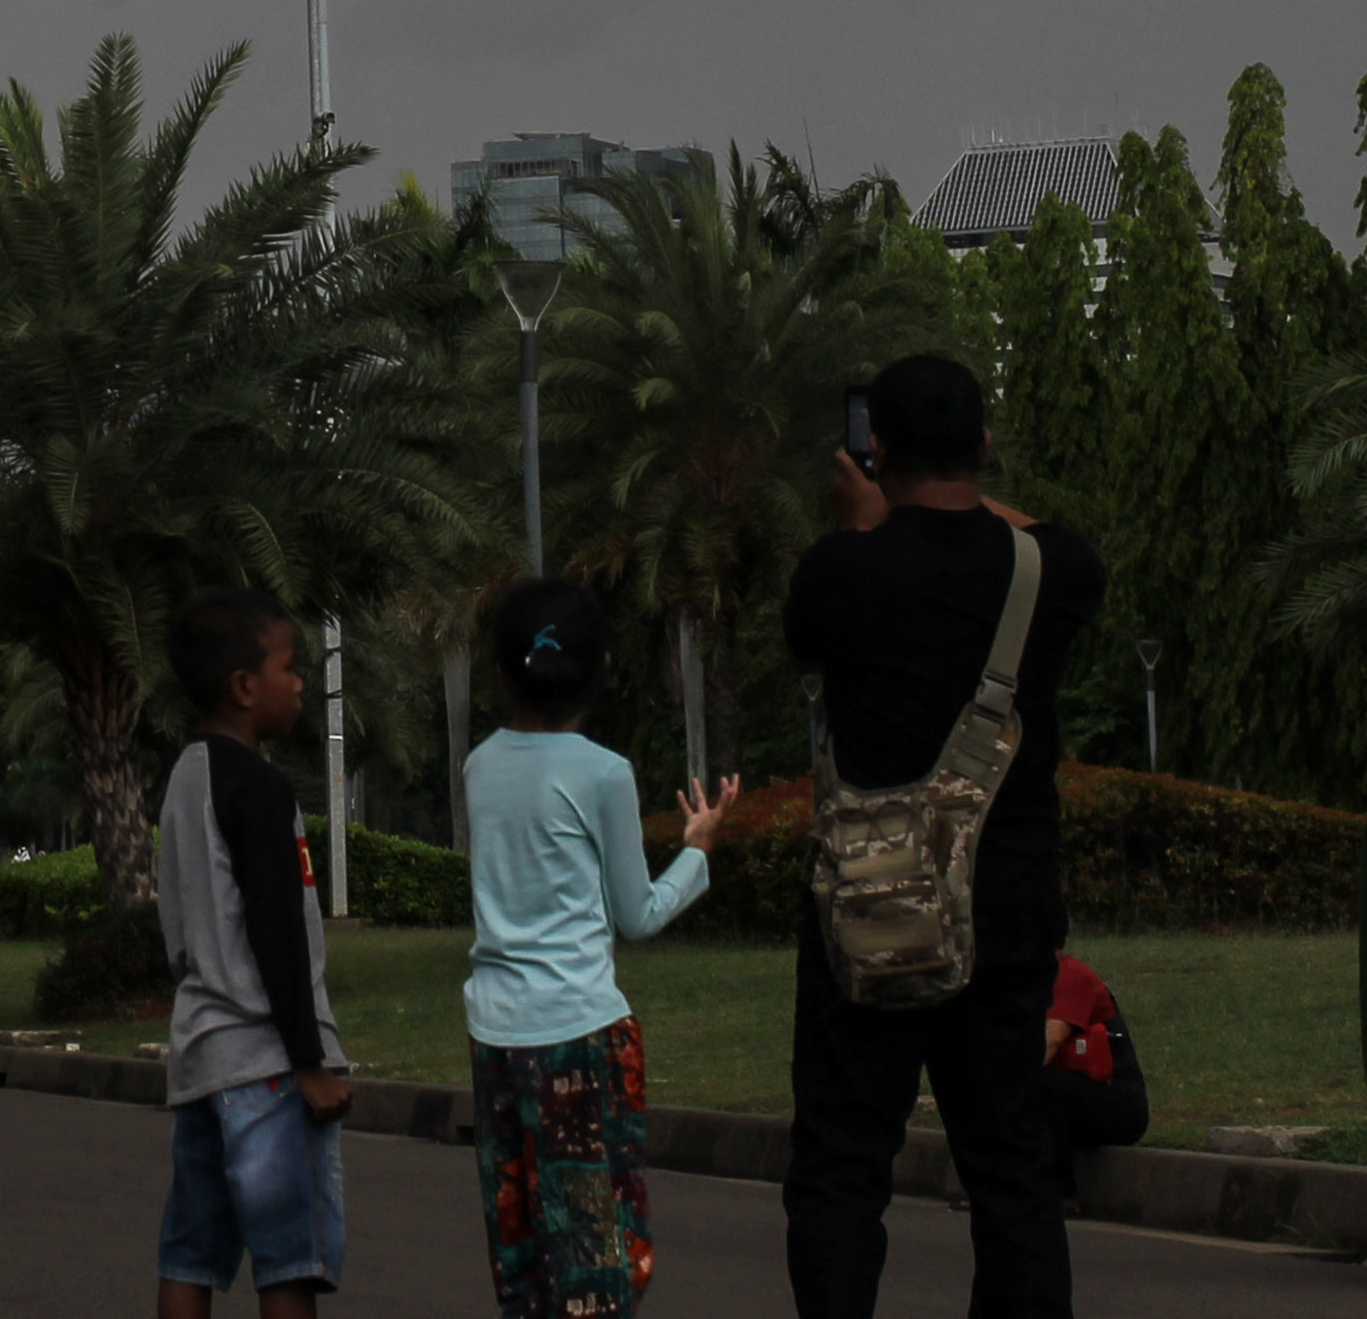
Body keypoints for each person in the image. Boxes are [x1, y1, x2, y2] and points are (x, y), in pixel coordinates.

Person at [784, 351, 1106, 1319]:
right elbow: (1036, 536)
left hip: (867, 909)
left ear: (872, 448)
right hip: (1004, 911)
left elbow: (805, 643)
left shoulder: (840, 569)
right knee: (1011, 1167)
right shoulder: (1052, 572)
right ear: (984, 443)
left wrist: (871, 523)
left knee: (842, 1165)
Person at [461, 578, 736, 1319]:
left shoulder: (479, 766)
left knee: (522, 1250)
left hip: (495, 1036)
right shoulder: (603, 772)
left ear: (500, 672)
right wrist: (697, 850)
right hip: (578, 1036)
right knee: (595, 1249)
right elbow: (637, 914)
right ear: (602, 666)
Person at [154, 587, 351, 1319]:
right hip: (268, 1063)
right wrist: (310, 1061)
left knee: (190, 1253)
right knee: (288, 1262)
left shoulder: (183, 779)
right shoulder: (262, 789)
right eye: (288, 665)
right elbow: (278, 929)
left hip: (201, 1054)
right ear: (243, 687)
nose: (299, 681)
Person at [1034, 955, 1149, 1199]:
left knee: (1030, 1083)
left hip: (1118, 1105)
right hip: (1069, 1097)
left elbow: (1051, 1042)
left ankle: (1058, 1193)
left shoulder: (1069, 974)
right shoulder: (1021, 982)